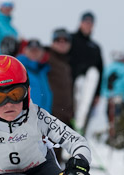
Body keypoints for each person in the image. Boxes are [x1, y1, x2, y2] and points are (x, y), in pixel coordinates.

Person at [69, 11, 103, 134]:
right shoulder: (71, 39)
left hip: (88, 89)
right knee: (69, 113)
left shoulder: (95, 47)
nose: (88, 25)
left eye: (90, 23)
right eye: (86, 22)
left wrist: (98, 94)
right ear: (81, 22)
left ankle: (79, 133)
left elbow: (100, 69)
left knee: (83, 114)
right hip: (71, 85)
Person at [46, 28, 75, 164]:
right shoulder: (47, 58)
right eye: (58, 40)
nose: (62, 43)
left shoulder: (67, 63)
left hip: (65, 115)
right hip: (50, 115)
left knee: (58, 154)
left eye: (65, 40)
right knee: (49, 154)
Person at [17, 39, 52, 112]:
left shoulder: (43, 70)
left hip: (44, 117)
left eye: (37, 50)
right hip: (27, 117)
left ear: (42, 52)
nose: (34, 53)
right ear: (25, 51)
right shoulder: (19, 69)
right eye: (31, 50)